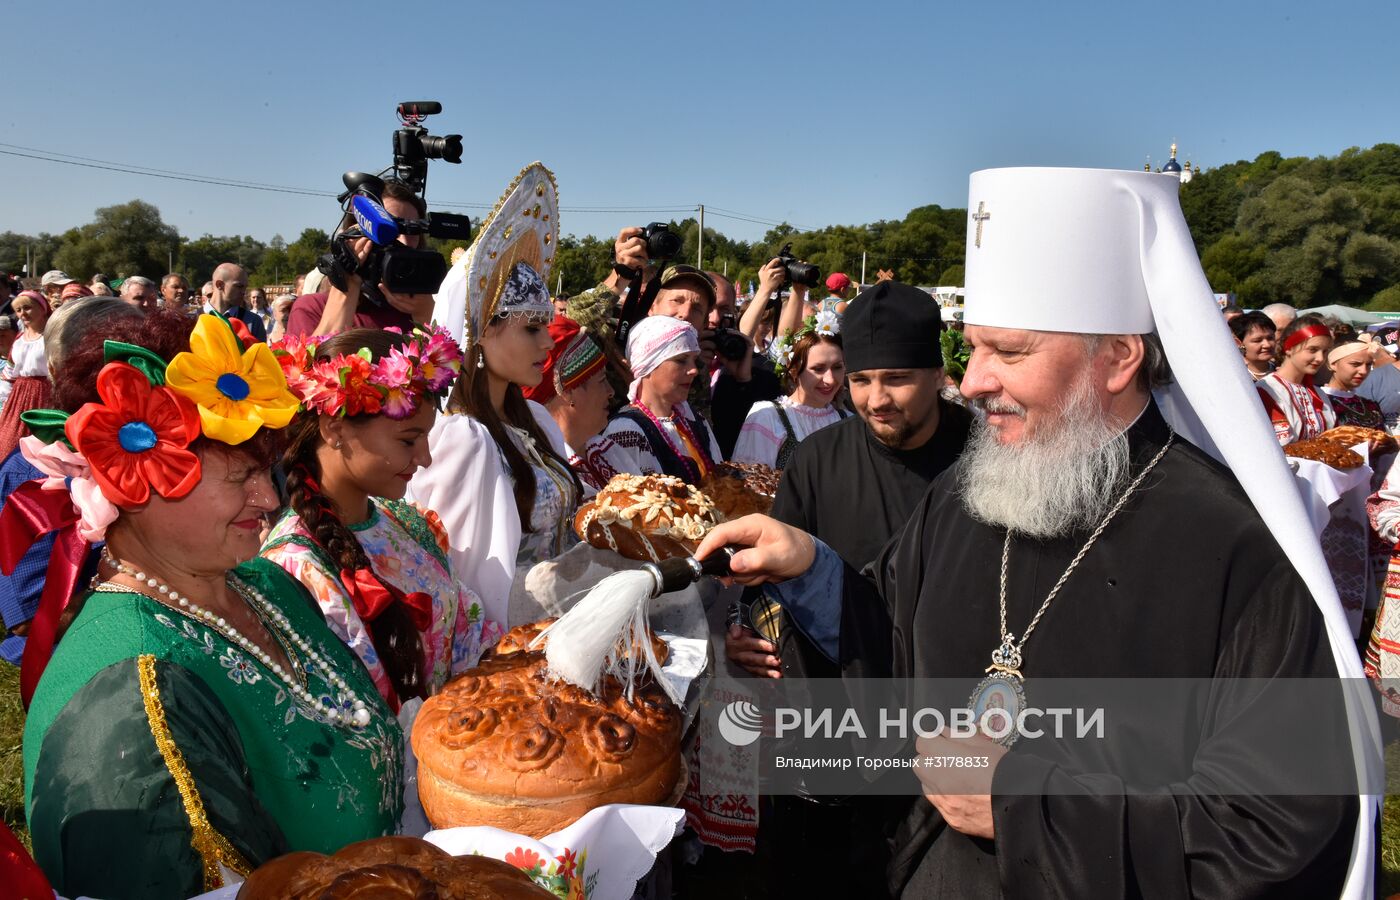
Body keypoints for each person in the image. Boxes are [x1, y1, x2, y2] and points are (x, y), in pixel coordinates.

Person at [697, 167, 1372, 898]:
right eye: (973, 347)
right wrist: (813, 570)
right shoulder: (965, 494)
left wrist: (1028, 806)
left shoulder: (1231, 547)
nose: (975, 379)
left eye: (1008, 353)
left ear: (1117, 357)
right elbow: (891, 643)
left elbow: (1279, 822)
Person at [21, 311, 402, 899]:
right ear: (136, 478)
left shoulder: (265, 585)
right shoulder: (134, 693)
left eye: (265, 471)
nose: (270, 497)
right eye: (241, 477)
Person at [718, 282, 973, 900]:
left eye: (896, 379)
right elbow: (772, 586)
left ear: (937, 373)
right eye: (861, 381)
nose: (875, 399)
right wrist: (751, 638)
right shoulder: (817, 459)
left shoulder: (984, 457)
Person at [263, 326, 487, 713]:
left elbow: (470, 632)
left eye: (426, 438)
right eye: (407, 440)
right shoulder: (294, 569)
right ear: (334, 428)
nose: (426, 458)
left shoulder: (407, 524)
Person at [411, 162, 580, 629]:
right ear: (479, 334)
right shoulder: (460, 437)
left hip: (561, 631)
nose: (548, 342)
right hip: (510, 651)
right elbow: (461, 581)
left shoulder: (534, 419)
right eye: (532, 328)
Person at [0, 298, 143, 668]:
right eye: (93, 365)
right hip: (81, 659)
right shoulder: (34, 473)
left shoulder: (172, 456)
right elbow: (29, 617)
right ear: (54, 369)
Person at [286, 181, 437, 338]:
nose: (404, 242)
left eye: (413, 232)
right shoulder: (312, 309)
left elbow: (450, 361)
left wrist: (426, 314)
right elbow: (315, 361)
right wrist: (346, 286)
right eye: (391, 229)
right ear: (353, 235)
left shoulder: (420, 309)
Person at [584, 316, 721, 484]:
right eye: (681, 360)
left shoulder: (694, 419)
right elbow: (637, 504)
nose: (693, 370)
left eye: (694, 360)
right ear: (648, 364)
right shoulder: (627, 430)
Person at [731, 314, 849, 470]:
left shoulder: (849, 421)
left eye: (837, 367)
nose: (830, 379)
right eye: (818, 369)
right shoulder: (769, 417)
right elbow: (749, 486)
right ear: (793, 370)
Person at [522, 315, 612, 492]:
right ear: (568, 391)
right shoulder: (545, 478)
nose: (611, 391)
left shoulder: (608, 451)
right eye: (602, 381)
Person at [708, 271, 784, 459]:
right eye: (705, 307)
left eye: (724, 309)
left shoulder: (757, 368)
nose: (715, 318)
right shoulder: (659, 361)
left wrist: (743, 382)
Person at [1257, 313, 1336, 445]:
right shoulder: (1268, 390)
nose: (1320, 358)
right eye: (1313, 350)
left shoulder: (1319, 394)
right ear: (1289, 348)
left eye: (1325, 351)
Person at [0, 291, 51, 458]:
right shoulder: (20, 339)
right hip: (19, 396)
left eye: (27, 307)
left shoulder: (52, 337)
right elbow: (9, 372)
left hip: (45, 395)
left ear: (42, 308)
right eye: (18, 310)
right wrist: (5, 400)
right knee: (9, 442)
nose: (22, 313)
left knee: (40, 446)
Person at [1321, 334, 1386, 429]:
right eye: (1355, 364)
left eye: (1368, 365)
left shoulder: (1370, 405)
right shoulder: (1320, 402)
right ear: (1333, 364)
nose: (1363, 371)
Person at [205, 263, 267, 341]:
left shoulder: (253, 321)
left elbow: (260, 353)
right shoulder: (192, 319)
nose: (244, 292)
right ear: (219, 285)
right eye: (239, 286)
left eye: (245, 287)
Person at [1228, 309, 1276, 381]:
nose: (1267, 345)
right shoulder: (1234, 376)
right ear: (1238, 343)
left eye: (1270, 338)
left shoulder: (1282, 371)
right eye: (1257, 340)